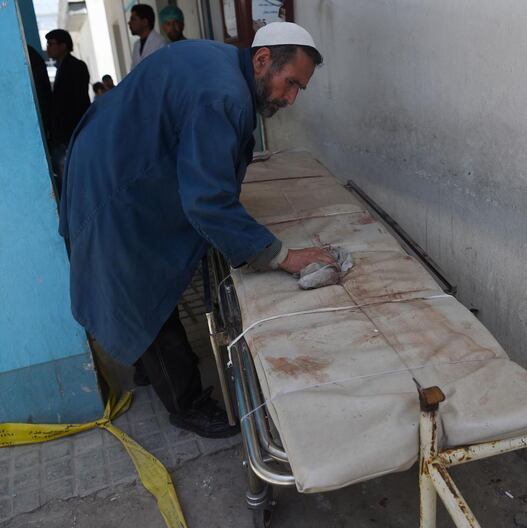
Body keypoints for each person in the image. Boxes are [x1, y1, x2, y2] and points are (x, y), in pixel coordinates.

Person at [58, 23, 334, 438]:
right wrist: (283, 256)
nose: (290, 98)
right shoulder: (224, 95)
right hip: (116, 185)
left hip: (107, 157)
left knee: (128, 280)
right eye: (290, 82)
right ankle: (185, 403)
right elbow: (207, 201)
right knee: (143, 288)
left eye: (299, 90)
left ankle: (143, 363)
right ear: (262, 60)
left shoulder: (222, 62)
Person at [45, 29, 90, 192]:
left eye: (51, 44)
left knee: (73, 183)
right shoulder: (62, 68)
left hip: (71, 135)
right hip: (65, 136)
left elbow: (78, 103)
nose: (48, 48)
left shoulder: (75, 67)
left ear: (63, 46)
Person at [129, 4, 166, 69]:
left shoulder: (160, 43)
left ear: (145, 22)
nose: (129, 22)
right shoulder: (136, 45)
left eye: (133, 19)